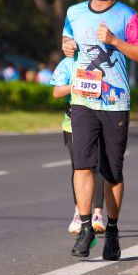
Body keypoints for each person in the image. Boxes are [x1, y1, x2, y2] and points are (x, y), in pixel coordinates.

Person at [62, 0, 138, 260]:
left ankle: (111, 229)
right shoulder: (74, 12)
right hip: (82, 100)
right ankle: (86, 226)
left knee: (112, 171)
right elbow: (67, 37)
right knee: (82, 165)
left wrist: (114, 41)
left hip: (115, 103)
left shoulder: (127, 15)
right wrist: (66, 46)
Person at [50, 57, 106, 234]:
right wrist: (77, 85)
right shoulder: (68, 62)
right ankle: (78, 214)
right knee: (79, 168)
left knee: (98, 166)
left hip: (101, 119)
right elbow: (57, 92)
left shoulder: (104, 59)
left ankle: (98, 215)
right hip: (72, 123)